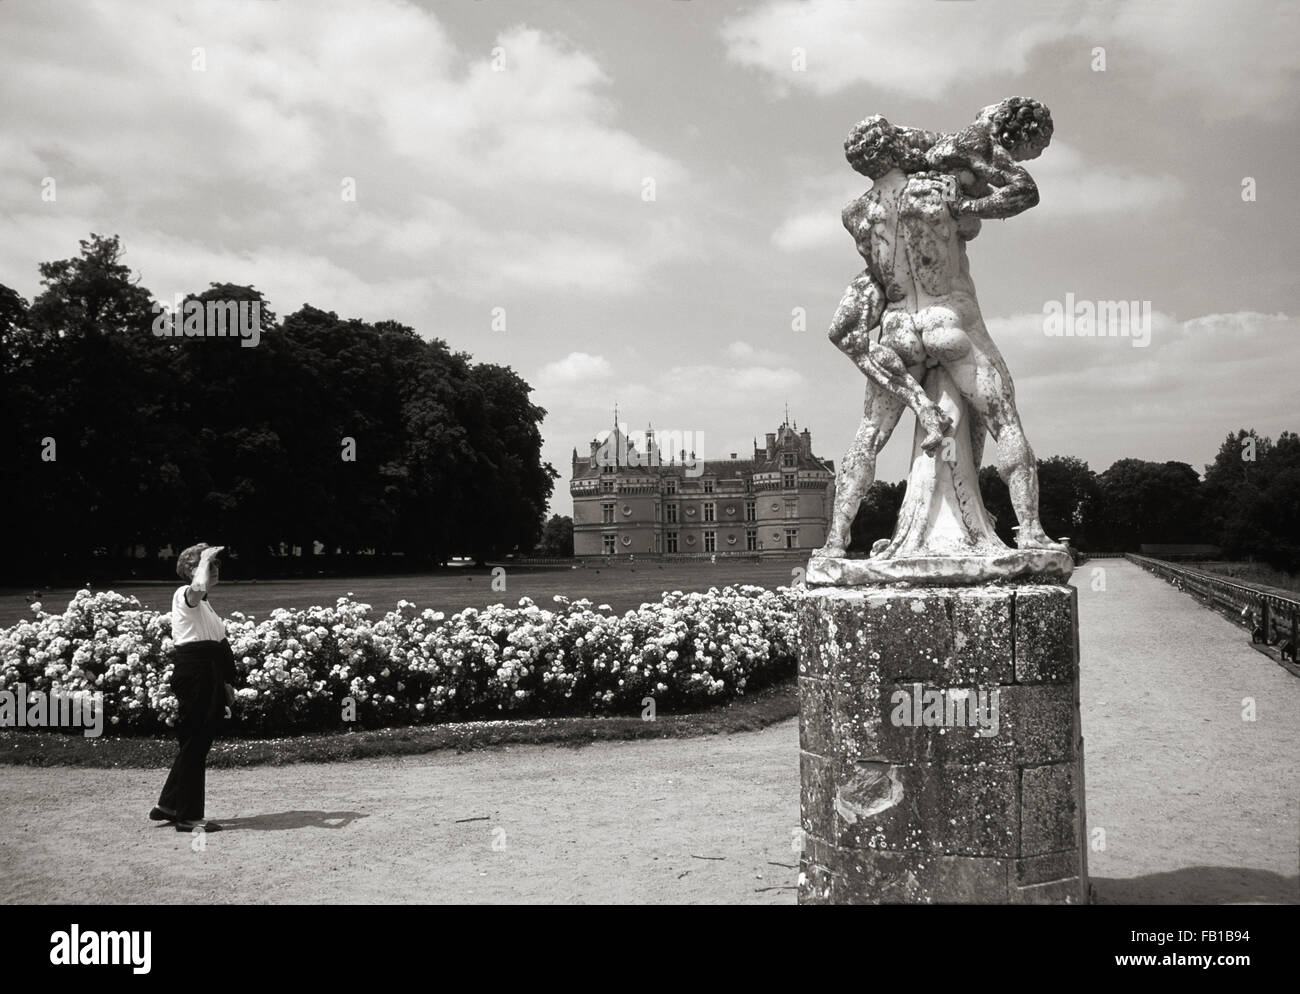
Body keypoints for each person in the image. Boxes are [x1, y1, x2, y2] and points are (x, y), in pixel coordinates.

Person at [150, 543, 237, 833]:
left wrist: (226, 683)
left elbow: (219, 646)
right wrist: (204, 559)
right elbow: (198, 585)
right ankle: (187, 816)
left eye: (215, 564)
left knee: (195, 742)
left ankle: (170, 804)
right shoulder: (184, 595)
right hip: (196, 674)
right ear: (192, 569)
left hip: (207, 675)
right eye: (211, 565)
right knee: (196, 741)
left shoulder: (204, 605)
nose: (216, 570)